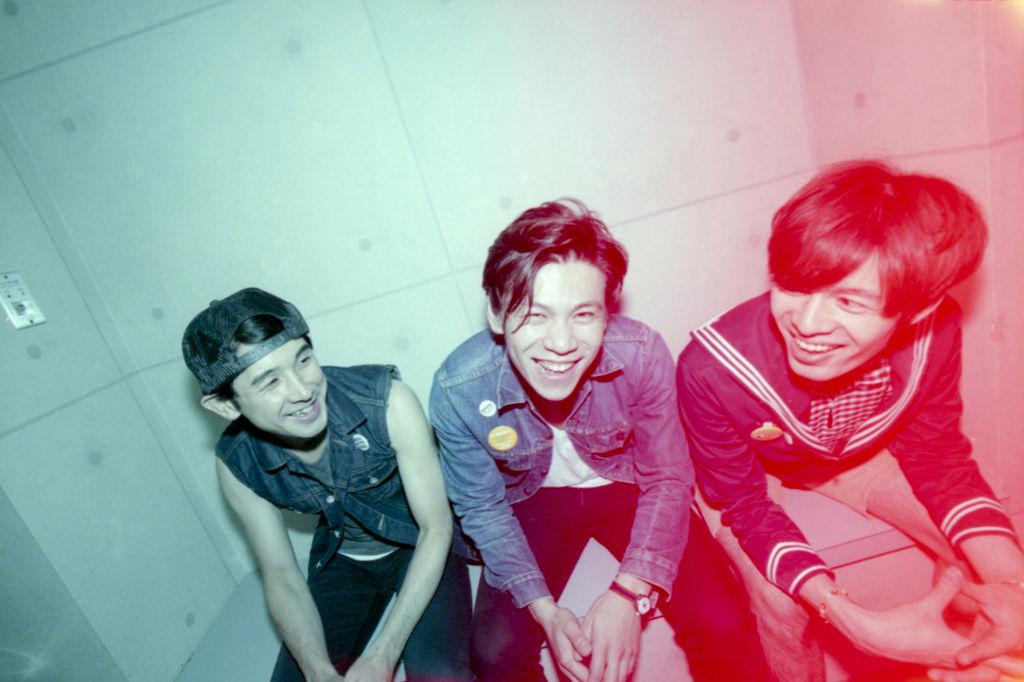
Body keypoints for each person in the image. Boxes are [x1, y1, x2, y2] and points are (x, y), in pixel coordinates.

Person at [675, 160, 1024, 682]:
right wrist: (851, 619)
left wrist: (1015, 588)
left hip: (855, 452)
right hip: (748, 474)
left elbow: (937, 456)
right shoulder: (710, 368)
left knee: (988, 563)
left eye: (849, 300)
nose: (807, 324)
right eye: (794, 286)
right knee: (783, 605)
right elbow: (743, 503)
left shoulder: (936, 329)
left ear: (918, 310)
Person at [430, 199, 772, 682]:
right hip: (533, 504)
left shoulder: (642, 353)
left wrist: (630, 592)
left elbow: (667, 477)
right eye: (535, 315)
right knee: (494, 653)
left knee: (723, 620)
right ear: (496, 313)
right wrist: (545, 611)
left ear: (606, 314)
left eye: (583, 314)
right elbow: (482, 509)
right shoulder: (458, 388)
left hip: (631, 489)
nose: (561, 343)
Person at [182, 288, 473, 682]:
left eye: (303, 360)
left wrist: (384, 654)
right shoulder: (236, 463)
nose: (302, 391)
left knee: (439, 675)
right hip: (343, 559)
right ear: (225, 406)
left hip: (420, 542)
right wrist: (318, 670)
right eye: (270, 382)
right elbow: (281, 574)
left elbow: (435, 527)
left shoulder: (387, 401)